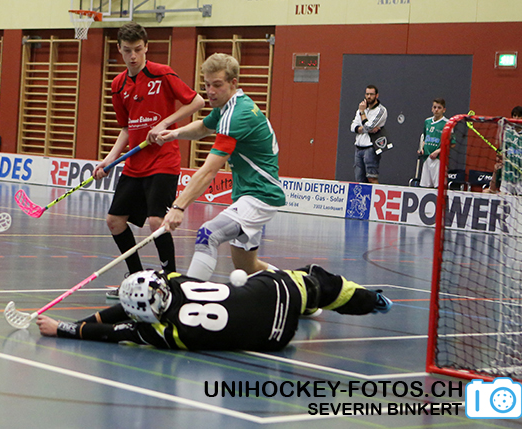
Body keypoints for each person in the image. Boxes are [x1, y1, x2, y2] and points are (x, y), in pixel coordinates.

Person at [36, 264, 392, 351]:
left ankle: (309, 307)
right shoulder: (172, 279)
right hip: (279, 293)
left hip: (274, 339)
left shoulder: (160, 333)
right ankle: (370, 300)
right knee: (314, 281)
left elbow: (110, 331)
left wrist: (64, 328)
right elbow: (118, 316)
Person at [94, 22, 205, 296]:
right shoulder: (118, 85)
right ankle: (135, 278)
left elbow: (197, 101)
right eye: (127, 50)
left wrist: (165, 123)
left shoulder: (162, 74)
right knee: (114, 220)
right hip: (135, 164)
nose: (133, 56)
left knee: (157, 222)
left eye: (138, 49)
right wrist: (109, 159)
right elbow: (126, 128)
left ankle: (171, 283)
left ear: (146, 48)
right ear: (119, 49)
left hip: (163, 161)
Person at [158, 53, 285, 281]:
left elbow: (209, 171)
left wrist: (178, 207)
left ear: (233, 83)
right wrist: (175, 134)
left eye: (217, 85)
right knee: (248, 266)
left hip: (260, 196)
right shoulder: (228, 106)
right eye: (207, 85)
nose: (210, 91)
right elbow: (204, 127)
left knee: (208, 234)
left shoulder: (237, 115)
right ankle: (301, 287)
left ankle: (190, 296)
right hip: (247, 194)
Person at [490, 106, 522, 195]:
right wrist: (500, 156)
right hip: (507, 176)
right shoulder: (508, 132)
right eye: (514, 115)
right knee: (504, 199)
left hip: (521, 176)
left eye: (519, 116)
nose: (516, 118)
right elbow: (501, 153)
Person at [351, 85, 388, 183]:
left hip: (371, 147)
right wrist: (365, 129)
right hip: (358, 147)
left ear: (376, 95)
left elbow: (368, 126)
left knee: (371, 177)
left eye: (371, 94)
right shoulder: (362, 108)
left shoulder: (381, 110)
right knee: (359, 179)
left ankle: (376, 193)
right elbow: (353, 126)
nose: (369, 97)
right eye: (367, 94)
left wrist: (362, 113)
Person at [418, 98, 447, 188]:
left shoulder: (447, 123)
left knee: (438, 187)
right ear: (431, 109)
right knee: (424, 186)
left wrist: (437, 151)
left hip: (438, 159)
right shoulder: (427, 122)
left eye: (439, 108)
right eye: (434, 107)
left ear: (444, 110)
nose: (436, 110)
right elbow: (425, 138)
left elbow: (451, 143)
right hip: (426, 158)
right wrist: (422, 148)